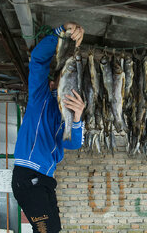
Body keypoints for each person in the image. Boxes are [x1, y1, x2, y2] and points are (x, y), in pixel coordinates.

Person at [12, 22, 85, 233]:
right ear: (54, 83)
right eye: (66, 77)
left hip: (45, 178)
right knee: (49, 230)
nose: (70, 83)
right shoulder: (40, 97)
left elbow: (73, 144)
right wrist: (60, 32)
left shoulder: (70, 111)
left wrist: (78, 118)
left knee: (53, 229)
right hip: (28, 176)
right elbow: (37, 60)